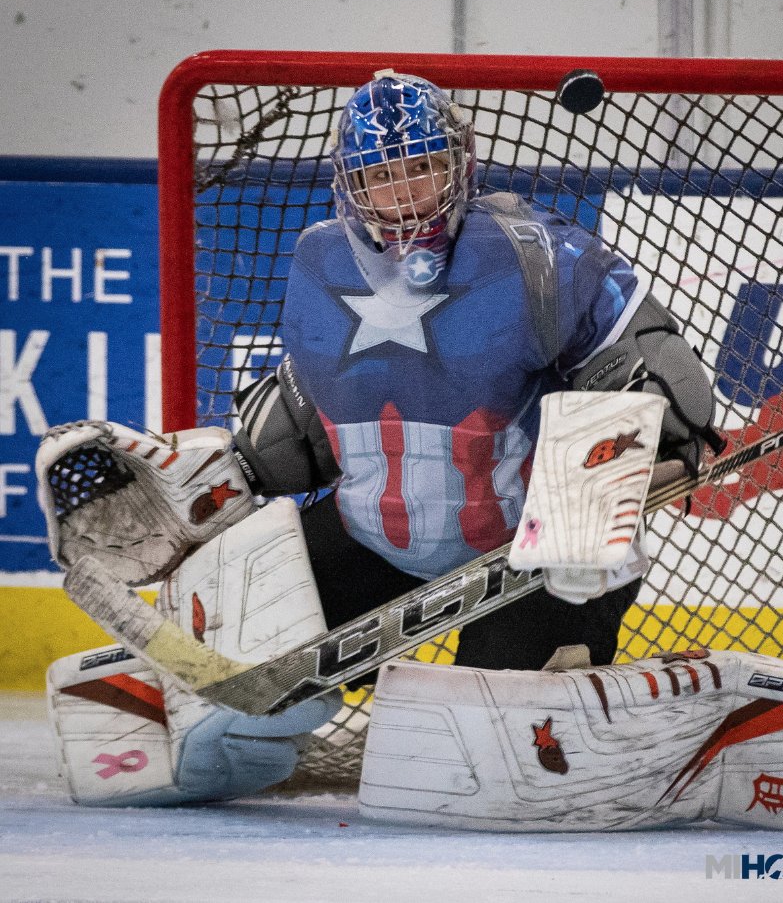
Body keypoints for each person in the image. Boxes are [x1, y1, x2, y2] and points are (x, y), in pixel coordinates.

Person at [39, 71, 729, 812]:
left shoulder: (540, 255)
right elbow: (316, 414)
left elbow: (650, 377)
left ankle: (644, 713)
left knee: (492, 768)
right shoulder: (318, 260)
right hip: (373, 536)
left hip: (525, 555)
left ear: (459, 161)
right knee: (217, 700)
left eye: (420, 168)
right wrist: (221, 478)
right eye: (378, 175)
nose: (402, 197)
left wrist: (618, 483)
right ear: (348, 180)